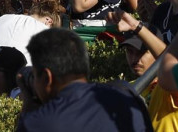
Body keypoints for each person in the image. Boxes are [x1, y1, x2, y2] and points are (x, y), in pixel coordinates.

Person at [20, 28, 151, 132]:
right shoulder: (124, 93)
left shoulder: (38, 123)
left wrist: (28, 104)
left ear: (47, 77)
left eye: (36, 76)